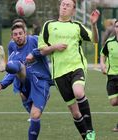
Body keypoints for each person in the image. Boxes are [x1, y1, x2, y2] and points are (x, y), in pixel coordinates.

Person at [37, 0, 100, 139]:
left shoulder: (77, 26)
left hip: (76, 67)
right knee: (76, 113)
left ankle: (90, 129)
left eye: (68, 5)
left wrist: (94, 25)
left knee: (79, 92)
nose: (64, 6)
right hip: (59, 73)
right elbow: (42, 50)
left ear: (73, 10)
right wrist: (55, 47)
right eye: (63, 4)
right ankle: (87, 137)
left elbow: (95, 40)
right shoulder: (49, 25)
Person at [0, 24, 53, 140]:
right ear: (12, 37)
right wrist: (2, 84)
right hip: (25, 80)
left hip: (40, 81)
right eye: (15, 34)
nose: (18, 36)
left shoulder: (35, 40)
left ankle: (6, 65)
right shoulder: (13, 48)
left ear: (25, 33)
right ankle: (6, 66)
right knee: (18, 69)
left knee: (35, 115)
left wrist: (34, 53)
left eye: (20, 33)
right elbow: (12, 74)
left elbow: (48, 48)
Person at [100, 19, 118, 132]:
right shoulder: (110, 42)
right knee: (114, 102)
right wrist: (102, 64)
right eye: (117, 26)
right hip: (111, 76)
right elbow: (103, 54)